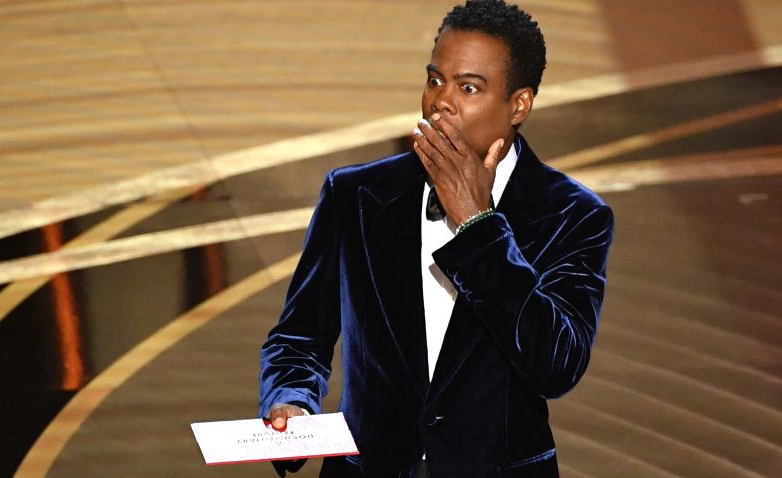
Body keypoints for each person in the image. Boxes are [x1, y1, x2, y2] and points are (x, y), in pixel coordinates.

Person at [259, 1, 614, 476]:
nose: (440, 101)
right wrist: (291, 402)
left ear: (519, 104)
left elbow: (557, 364)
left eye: (468, 87)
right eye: (434, 80)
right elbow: (299, 338)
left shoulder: (574, 215)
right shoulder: (355, 196)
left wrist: (478, 225)